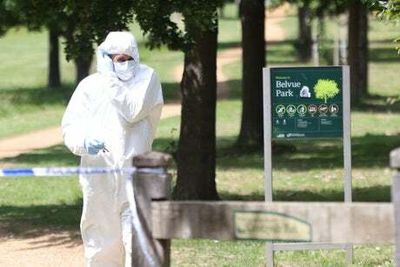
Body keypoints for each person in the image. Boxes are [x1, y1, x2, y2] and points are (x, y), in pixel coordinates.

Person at [61, 31, 163, 266]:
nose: (123, 63)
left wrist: (109, 79)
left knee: (136, 242)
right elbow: (71, 126)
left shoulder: (147, 79)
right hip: (99, 177)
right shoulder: (89, 86)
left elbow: (132, 112)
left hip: (135, 175)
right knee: (100, 243)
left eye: (128, 57)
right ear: (105, 57)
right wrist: (84, 142)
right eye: (117, 58)